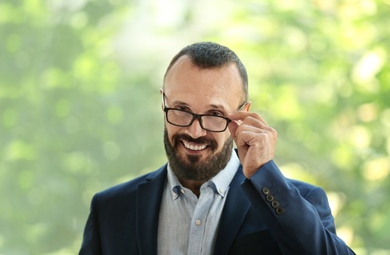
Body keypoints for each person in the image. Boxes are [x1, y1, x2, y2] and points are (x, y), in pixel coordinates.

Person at [79, 42, 355, 254]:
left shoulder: (296, 202)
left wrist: (264, 174)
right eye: (181, 109)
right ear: (163, 103)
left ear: (243, 114)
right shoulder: (111, 210)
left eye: (214, 114)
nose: (195, 131)